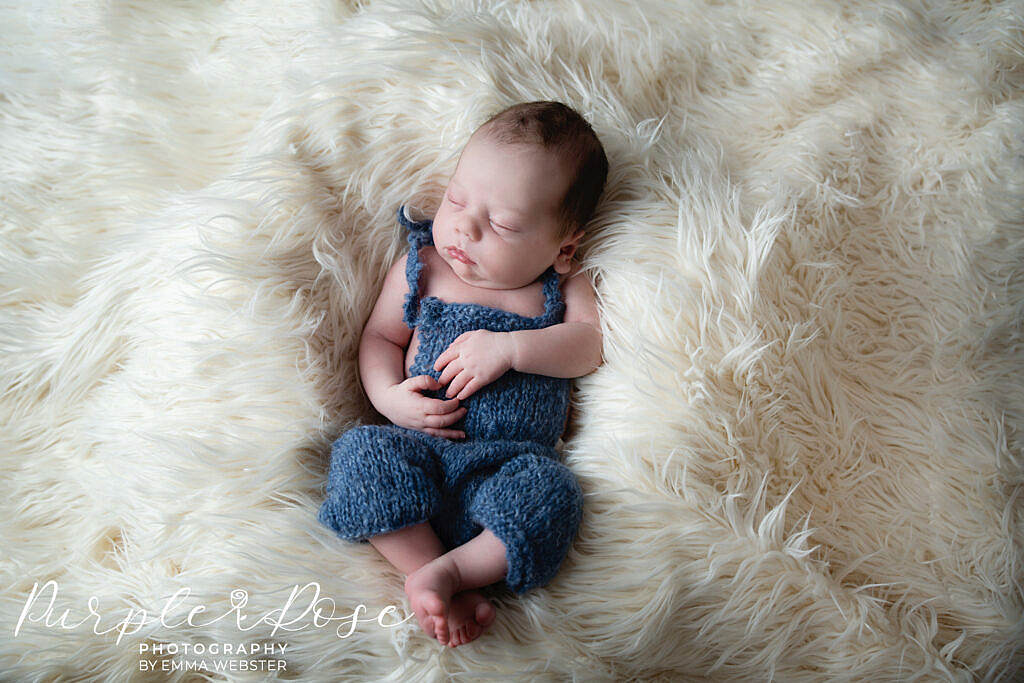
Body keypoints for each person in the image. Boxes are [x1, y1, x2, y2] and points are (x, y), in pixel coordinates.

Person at [318, 101, 608, 647]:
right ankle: (431, 569)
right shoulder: (423, 265)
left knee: (555, 495)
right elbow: (380, 338)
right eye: (456, 198)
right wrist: (388, 398)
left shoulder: (562, 285)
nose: (465, 227)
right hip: (418, 450)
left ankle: (453, 574)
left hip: (509, 465)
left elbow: (588, 346)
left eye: (501, 223)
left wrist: (513, 348)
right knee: (358, 453)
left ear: (563, 248)